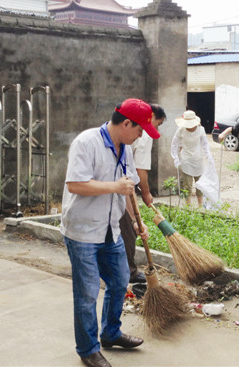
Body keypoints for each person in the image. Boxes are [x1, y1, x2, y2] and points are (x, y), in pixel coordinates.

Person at [60, 98, 159, 367]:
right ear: (126, 123)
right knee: (87, 293)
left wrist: (135, 221)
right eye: (140, 130)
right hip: (83, 231)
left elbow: (127, 189)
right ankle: (88, 350)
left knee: (120, 280)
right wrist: (115, 187)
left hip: (110, 230)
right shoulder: (86, 142)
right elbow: (75, 184)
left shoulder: (125, 149)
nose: (141, 136)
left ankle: (111, 333)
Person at [119, 103, 166, 284]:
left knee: (130, 226)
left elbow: (131, 175)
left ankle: (124, 271)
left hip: (124, 188)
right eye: (157, 124)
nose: (141, 134)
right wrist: (146, 193)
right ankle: (128, 272)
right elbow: (141, 169)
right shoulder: (142, 136)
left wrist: (134, 218)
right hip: (117, 192)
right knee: (127, 231)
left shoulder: (126, 144)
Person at [170, 110, 214, 207]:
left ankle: (200, 205)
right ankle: (188, 206)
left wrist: (208, 155)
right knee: (187, 185)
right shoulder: (181, 130)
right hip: (186, 159)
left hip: (198, 159)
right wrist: (175, 157)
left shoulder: (201, 130)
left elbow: (205, 144)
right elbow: (174, 144)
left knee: (200, 184)